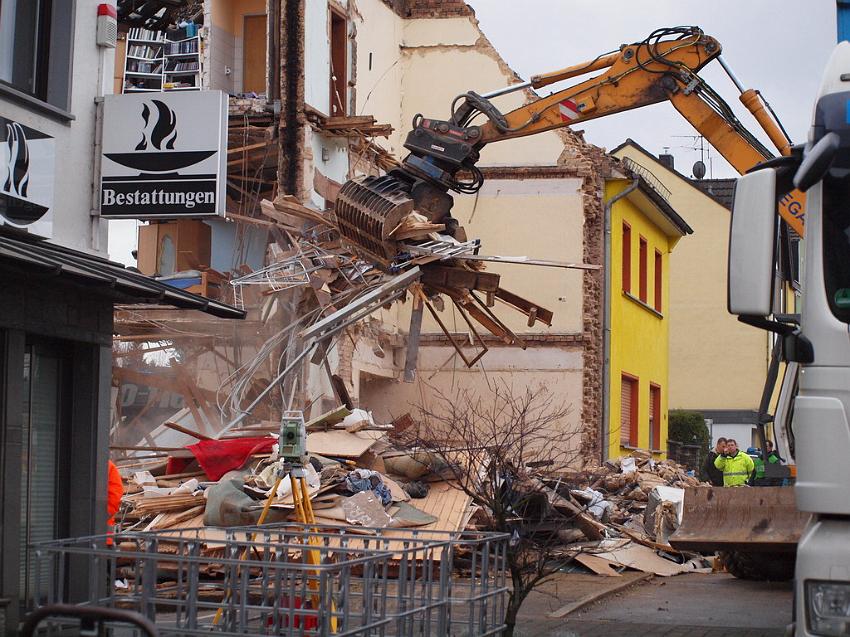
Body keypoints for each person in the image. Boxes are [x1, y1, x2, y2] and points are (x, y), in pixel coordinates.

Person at [107, 460, 123, 545]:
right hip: (101, 538)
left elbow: (114, 496)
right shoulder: (107, 465)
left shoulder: (106, 465)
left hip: (101, 537)